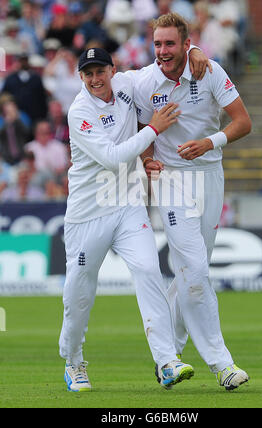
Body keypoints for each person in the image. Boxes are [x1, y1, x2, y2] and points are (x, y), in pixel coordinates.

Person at [58, 47, 198, 392]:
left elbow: (157, 67)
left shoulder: (125, 83)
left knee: (149, 270)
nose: (95, 79)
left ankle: (167, 361)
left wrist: (193, 54)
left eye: (100, 71)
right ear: (81, 78)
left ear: (112, 70)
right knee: (80, 292)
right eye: (88, 74)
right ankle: (73, 360)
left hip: (128, 204)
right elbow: (111, 158)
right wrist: (153, 128)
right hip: (88, 213)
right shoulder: (79, 112)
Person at [132, 12, 251, 391]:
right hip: (171, 180)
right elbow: (136, 125)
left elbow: (242, 122)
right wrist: (146, 157)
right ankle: (222, 364)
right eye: (157, 44)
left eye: (170, 44)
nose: (162, 51)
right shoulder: (142, 81)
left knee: (190, 273)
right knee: (195, 269)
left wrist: (209, 143)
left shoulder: (209, 70)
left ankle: (168, 355)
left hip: (210, 176)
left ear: (186, 44)